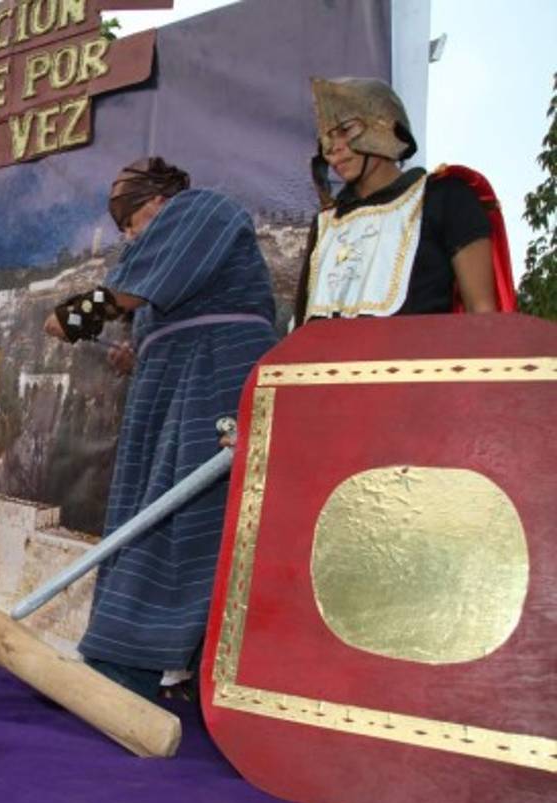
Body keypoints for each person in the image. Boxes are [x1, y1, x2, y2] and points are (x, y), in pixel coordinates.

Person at [44, 157, 278, 700]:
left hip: (214, 376)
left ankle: (136, 663)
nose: (128, 236)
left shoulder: (202, 209)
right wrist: (140, 353)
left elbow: (125, 295)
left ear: (156, 201)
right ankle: (155, 658)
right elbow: (162, 313)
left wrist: (75, 315)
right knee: (147, 513)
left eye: (130, 221)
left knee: (186, 516)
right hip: (171, 385)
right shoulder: (173, 247)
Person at [295, 77, 515, 325]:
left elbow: (482, 314)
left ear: (384, 124)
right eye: (327, 138)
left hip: (420, 361)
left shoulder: (446, 196)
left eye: (345, 130)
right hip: (326, 363)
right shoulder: (326, 223)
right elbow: (302, 326)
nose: (334, 148)